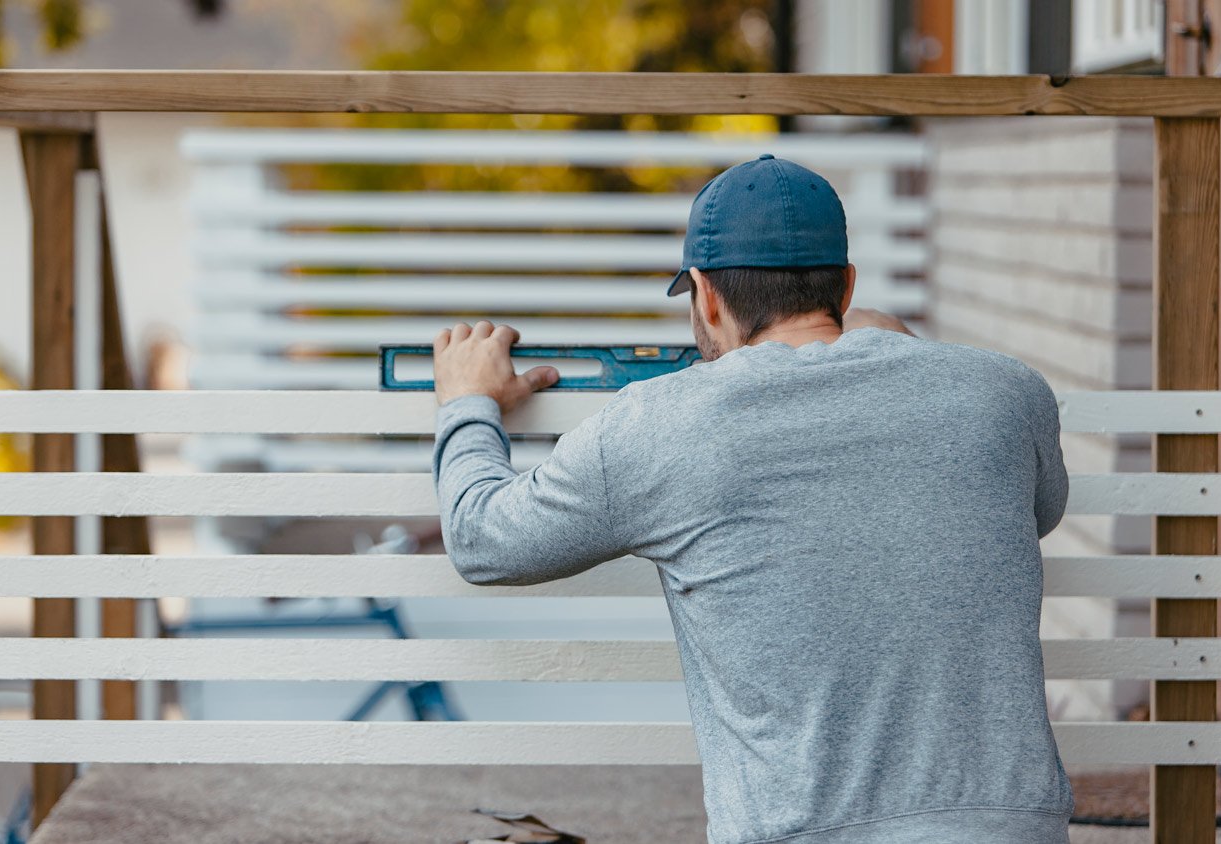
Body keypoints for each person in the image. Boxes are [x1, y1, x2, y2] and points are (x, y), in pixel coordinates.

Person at [430, 155, 1072, 843]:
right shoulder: (1007, 391)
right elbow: (1038, 509)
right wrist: (897, 353)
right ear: (846, 287)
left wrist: (467, 401)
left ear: (706, 297)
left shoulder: (661, 422)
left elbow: (483, 539)